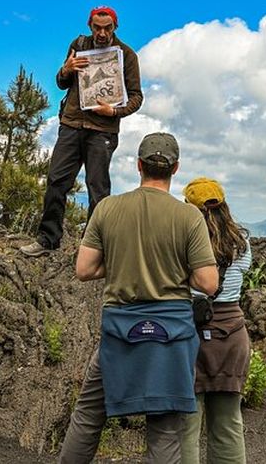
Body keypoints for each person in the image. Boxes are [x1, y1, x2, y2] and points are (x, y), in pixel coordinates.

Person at [59, 132, 219, 463]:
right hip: (171, 335)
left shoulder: (108, 208)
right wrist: (176, 268)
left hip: (120, 333)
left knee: (89, 416)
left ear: (138, 166)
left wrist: (119, 262)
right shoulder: (188, 217)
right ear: (175, 169)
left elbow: (84, 269)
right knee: (164, 428)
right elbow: (208, 283)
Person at [21, 5, 143, 257]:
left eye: (107, 28)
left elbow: (136, 97)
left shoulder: (127, 56)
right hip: (72, 124)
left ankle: (94, 247)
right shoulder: (78, 44)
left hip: (103, 130)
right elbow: (61, 82)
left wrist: (114, 112)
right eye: (97, 27)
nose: (101, 33)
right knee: (56, 181)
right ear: (90, 26)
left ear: (115, 27)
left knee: (97, 188)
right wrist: (66, 69)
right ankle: (47, 239)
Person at [178, 177, 251, 464]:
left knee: (186, 425)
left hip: (191, 331)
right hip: (232, 333)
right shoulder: (242, 242)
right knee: (229, 424)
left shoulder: (184, 238)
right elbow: (242, 272)